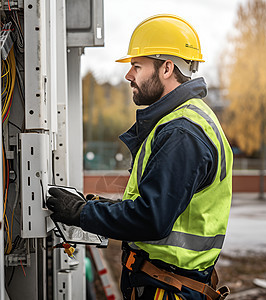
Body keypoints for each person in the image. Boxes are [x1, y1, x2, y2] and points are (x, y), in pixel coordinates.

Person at [47, 14, 233, 300]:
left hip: (168, 290)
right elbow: (155, 205)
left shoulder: (182, 132)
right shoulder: (182, 121)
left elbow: (151, 219)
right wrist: (96, 206)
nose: (128, 75)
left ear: (167, 68)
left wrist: (81, 213)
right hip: (170, 285)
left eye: (137, 66)